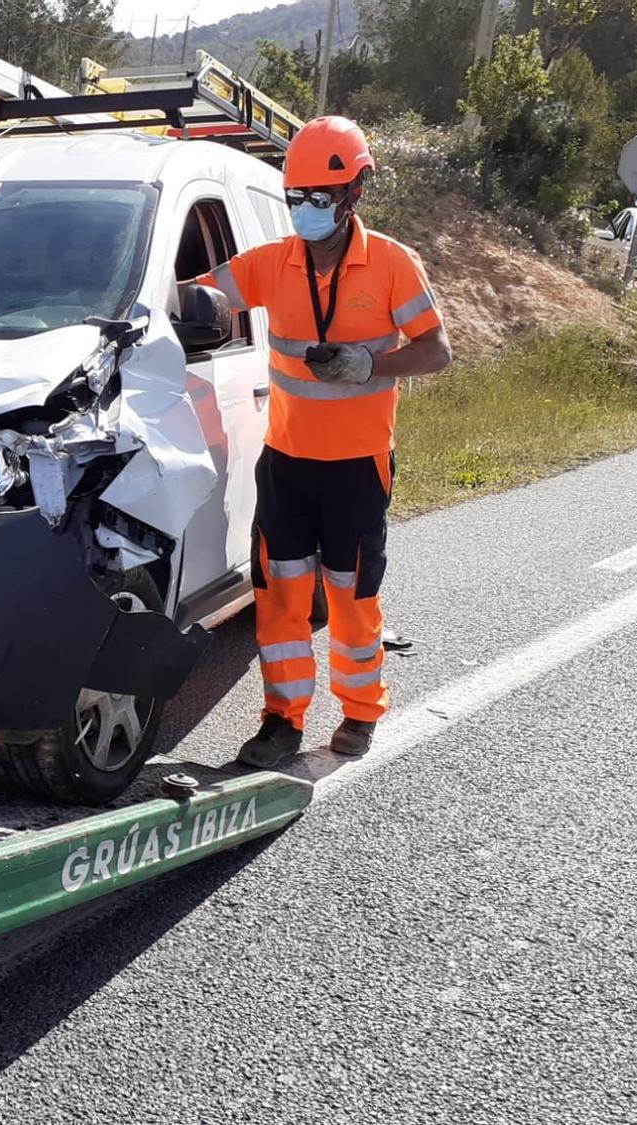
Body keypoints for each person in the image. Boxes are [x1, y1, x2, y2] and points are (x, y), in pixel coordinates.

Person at [194, 117, 454, 767]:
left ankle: (361, 710)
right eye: (296, 199)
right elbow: (202, 294)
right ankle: (281, 720)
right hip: (286, 465)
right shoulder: (272, 264)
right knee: (280, 599)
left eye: (319, 199)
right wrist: (190, 306)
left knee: (351, 596)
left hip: (356, 469)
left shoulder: (393, 265)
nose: (305, 212)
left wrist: (371, 366)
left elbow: (437, 351)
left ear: (354, 194)